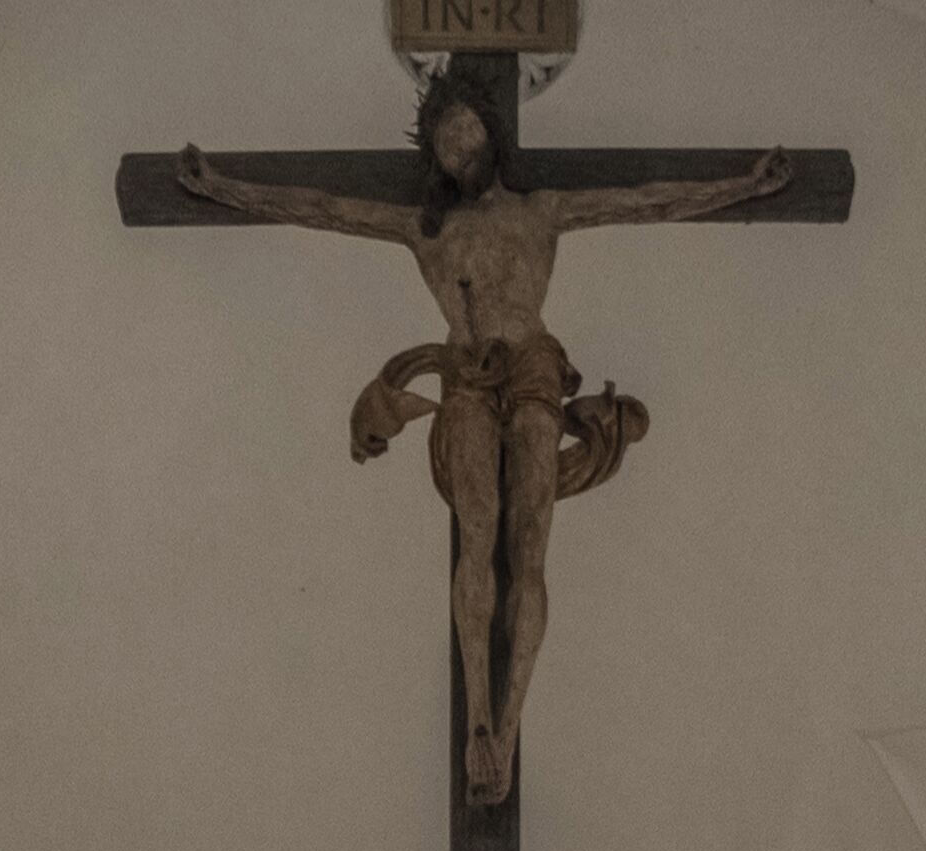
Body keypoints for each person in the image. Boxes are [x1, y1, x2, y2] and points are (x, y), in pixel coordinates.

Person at [178, 75, 788, 804]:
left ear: (492, 137)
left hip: (533, 370)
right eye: (447, 140)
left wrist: (745, 187)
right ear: (435, 157)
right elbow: (324, 209)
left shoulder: (542, 211)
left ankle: (508, 725)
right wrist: (222, 188)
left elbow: (646, 199)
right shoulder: (425, 230)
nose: (460, 146)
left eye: (468, 131)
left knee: (529, 544)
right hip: (465, 377)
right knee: (478, 529)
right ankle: (478, 720)